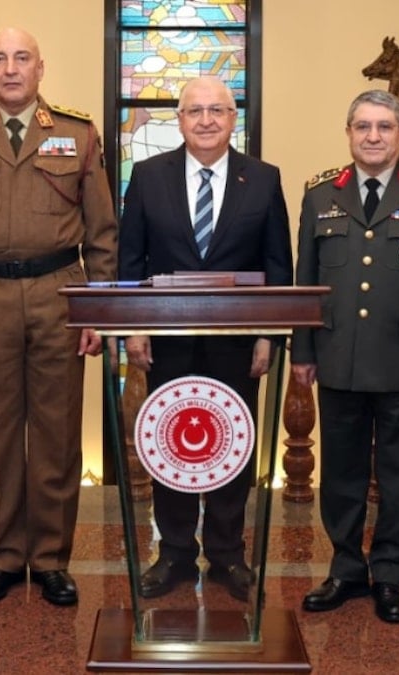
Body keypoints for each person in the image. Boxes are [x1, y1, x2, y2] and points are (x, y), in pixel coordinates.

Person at [0, 27, 117, 609]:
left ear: (40, 69)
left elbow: (102, 234)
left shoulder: (78, 134)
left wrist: (97, 310)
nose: (11, 68)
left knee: (57, 433)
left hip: (61, 293)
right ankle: (6, 556)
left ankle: (52, 559)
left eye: (22, 58)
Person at [118, 76, 293, 602]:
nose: (206, 120)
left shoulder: (263, 178)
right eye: (195, 111)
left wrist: (267, 336)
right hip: (167, 341)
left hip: (236, 343)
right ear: (180, 120)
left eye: (217, 110)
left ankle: (226, 554)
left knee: (232, 445)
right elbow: (131, 260)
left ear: (234, 118)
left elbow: (278, 264)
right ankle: (173, 553)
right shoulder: (148, 176)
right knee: (169, 443)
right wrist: (134, 328)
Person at [292, 90, 399, 624]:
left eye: (384, 126)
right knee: (340, 474)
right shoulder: (320, 194)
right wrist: (303, 350)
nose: (373, 136)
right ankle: (345, 569)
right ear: (348, 133)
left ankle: (389, 575)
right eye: (362, 126)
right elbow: (305, 280)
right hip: (338, 357)